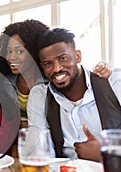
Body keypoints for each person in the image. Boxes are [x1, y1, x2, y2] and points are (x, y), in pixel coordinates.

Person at [24, 28, 121, 162]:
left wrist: (107, 152)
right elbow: (38, 149)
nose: (56, 68)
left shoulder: (114, 82)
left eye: (62, 58)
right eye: (48, 64)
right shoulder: (40, 95)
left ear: (77, 56)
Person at [0, 19, 112, 129]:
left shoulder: (54, 81)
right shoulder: (4, 83)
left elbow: (76, 73)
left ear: (33, 51)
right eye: (8, 51)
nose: (11, 57)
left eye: (19, 51)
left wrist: (103, 67)